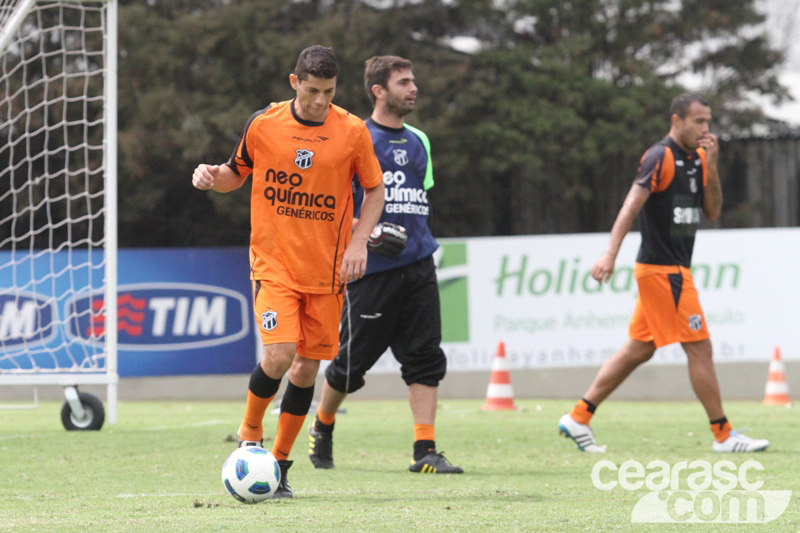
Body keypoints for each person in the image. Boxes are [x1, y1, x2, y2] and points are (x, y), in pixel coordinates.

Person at [191, 45, 385, 498]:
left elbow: (374, 192)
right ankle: (249, 435)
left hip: (328, 270)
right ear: (295, 82)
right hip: (273, 262)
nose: (321, 100)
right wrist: (210, 176)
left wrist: (359, 243)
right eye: (313, 90)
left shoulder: (353, 131)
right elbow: (235, 173)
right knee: (278, 355)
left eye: (330, 92)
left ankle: (277, 466)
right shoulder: (264, 124)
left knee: (305, 370)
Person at [558, 92, 770, 453]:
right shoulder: (660, 156)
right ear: (677, 121)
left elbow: (713, 211)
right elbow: (630, 206)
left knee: (638, 350)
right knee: (700, 347)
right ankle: (723, 435)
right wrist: (610, 253)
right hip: (662, 272)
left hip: (674, 270)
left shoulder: (699, 158)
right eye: (698, 121)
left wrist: (713, 164)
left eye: (708, 121)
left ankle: (578, 417)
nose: (706, 128)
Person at [307, 56, 463, 474]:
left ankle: (425, 450)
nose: (413, 89)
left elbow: (418, 199)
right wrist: (365, 232)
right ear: (378, 90)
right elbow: (331, 202)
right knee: (350, 365)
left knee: (425, 357)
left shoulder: (419, 141)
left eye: (413, 81)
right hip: (370, 271)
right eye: (404, 82)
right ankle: (322, 427)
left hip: (419, 265)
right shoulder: (354, 136)